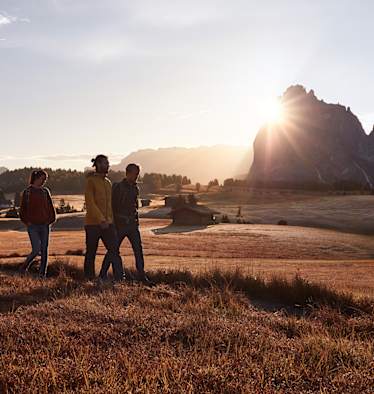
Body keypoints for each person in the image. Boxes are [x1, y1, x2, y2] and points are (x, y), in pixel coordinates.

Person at [101, 163, 153, 284]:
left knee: (138, 250)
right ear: (128, 173)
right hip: (119, 225)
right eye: (135, 174)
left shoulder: (135, 188)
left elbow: (135, 207)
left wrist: (136, 222)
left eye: (137, 174)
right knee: (113, 251)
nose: (136, 177)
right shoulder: (117, 187)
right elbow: (111, 206)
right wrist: (112, 224)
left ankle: (141, 275)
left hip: (132, 225)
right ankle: (102, 274)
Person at [84, 154, 125, 281]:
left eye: (108, 163)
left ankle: (119, 278)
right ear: (97, 165)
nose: (107, 165)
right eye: (105, 163)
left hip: (108, 223)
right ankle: (89, 278)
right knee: (91, 252)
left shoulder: (108, 183)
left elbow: (109, 204)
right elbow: (90, 203)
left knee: (114, 250)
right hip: (93, 224)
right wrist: (101, 219)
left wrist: (110, 220)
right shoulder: (90, 181)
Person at [19, 170, 56, 278]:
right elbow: (22, 210)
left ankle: (42, 275)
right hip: (33, 226)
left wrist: (51, 220)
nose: (44, 181)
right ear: (36, 178)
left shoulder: (45, 191)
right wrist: (27, 222)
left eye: (45, 179)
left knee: (44, 250)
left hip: (45, 225)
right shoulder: (27, 192)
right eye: (42, 179)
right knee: (36, 250)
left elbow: (50, 207)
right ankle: (24, 267)